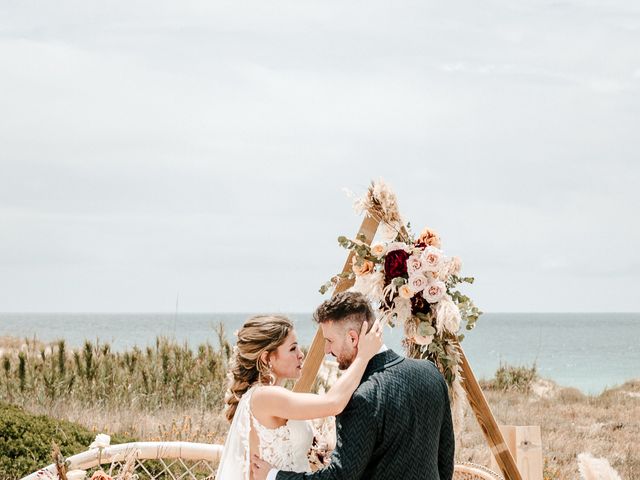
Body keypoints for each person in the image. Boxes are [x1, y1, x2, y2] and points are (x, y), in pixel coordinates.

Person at [251, 291, 455, 480]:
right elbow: (445, 460)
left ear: (352, 338)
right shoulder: (431, 373)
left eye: (329, 340)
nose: (327, 350)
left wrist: (274, 476)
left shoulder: (360, 397)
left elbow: (340, 477)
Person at [215, 312, 383, 480]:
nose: (301, 354)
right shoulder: (264, 396)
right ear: (267, 358)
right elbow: (333, 402)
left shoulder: (268, 397)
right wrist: (363, 355)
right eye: (292, 348)